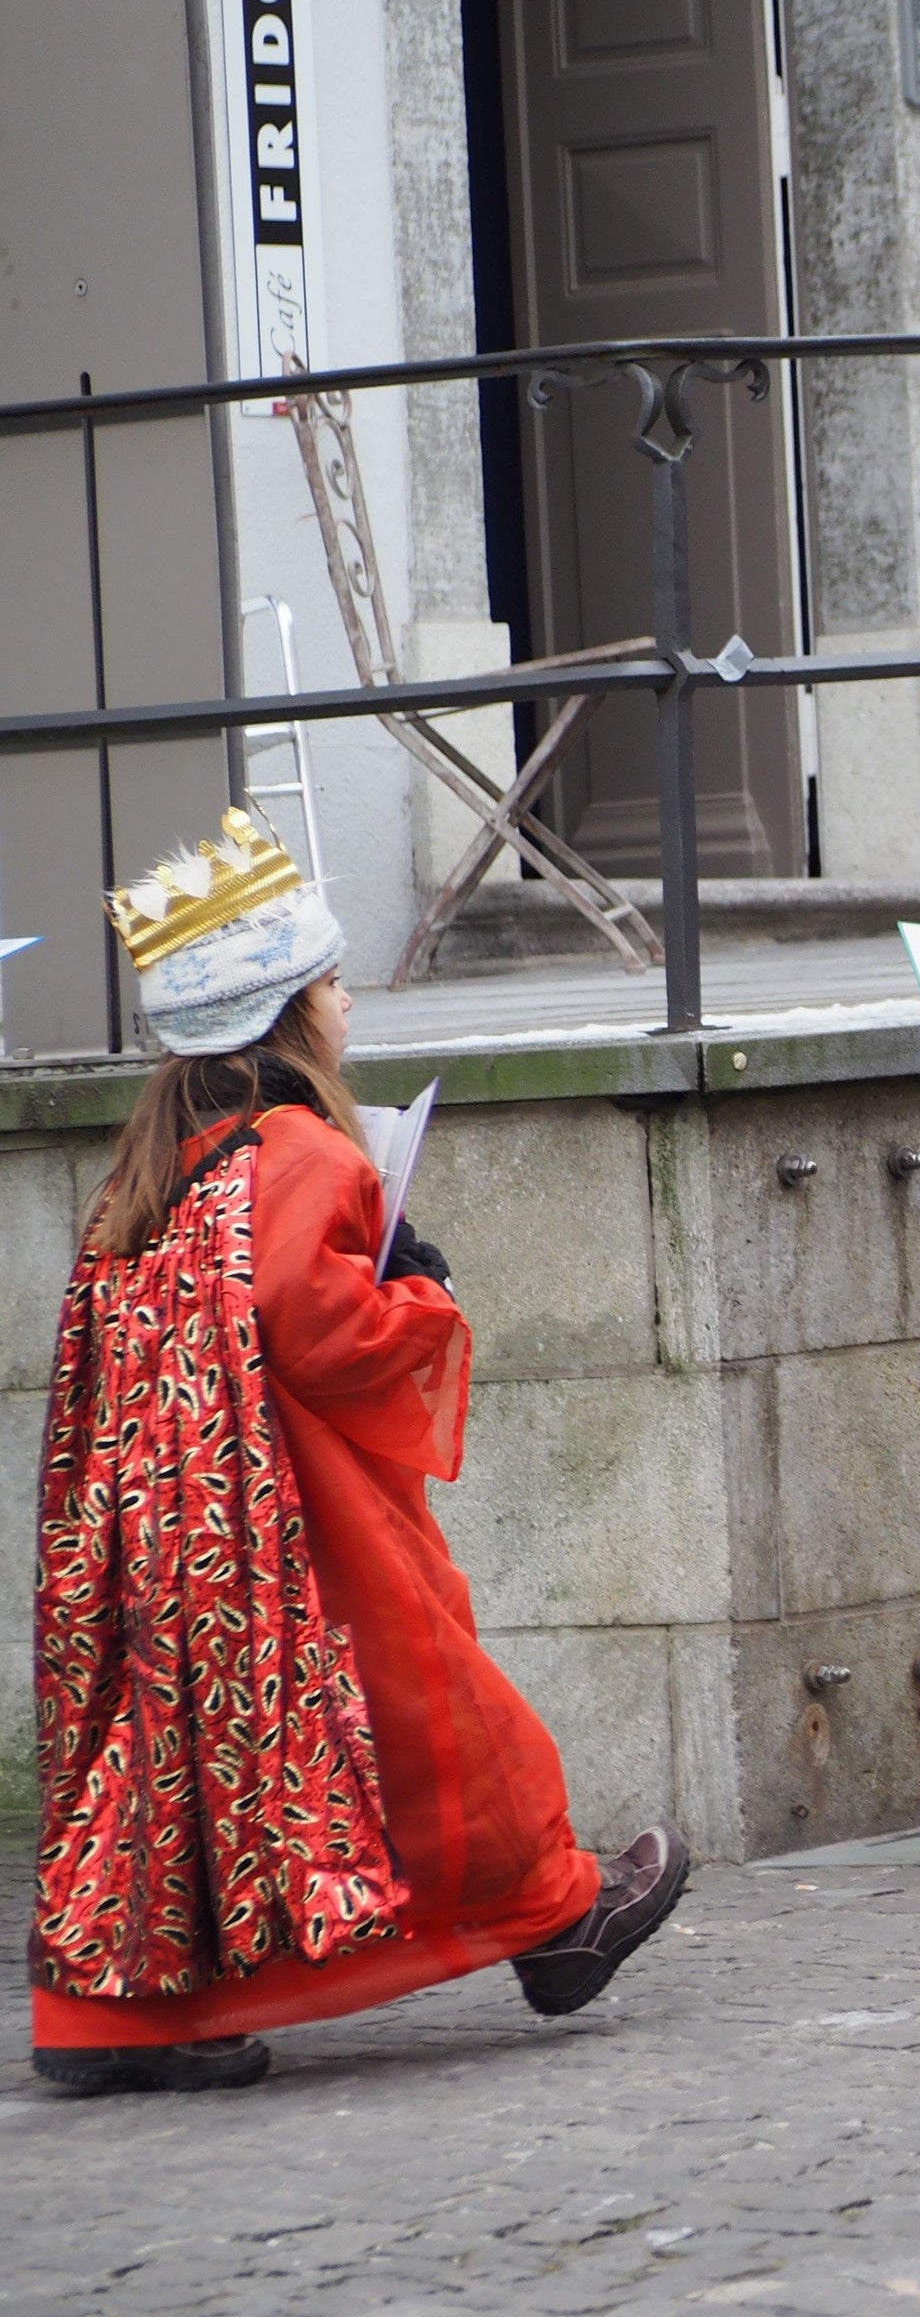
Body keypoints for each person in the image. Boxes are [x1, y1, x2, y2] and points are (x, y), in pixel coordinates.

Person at [30, 810, 686, 2095]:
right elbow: (324, 1331)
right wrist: (425, 1297)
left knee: (158, 1745)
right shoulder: (301, 1151)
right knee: (428, 1700)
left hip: (169, 1537)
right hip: (290, 1514)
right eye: (329, 981)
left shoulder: (150, 1169)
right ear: (285, 1013)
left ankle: (115, 2014)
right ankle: (556, 1914)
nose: (344, 1001)